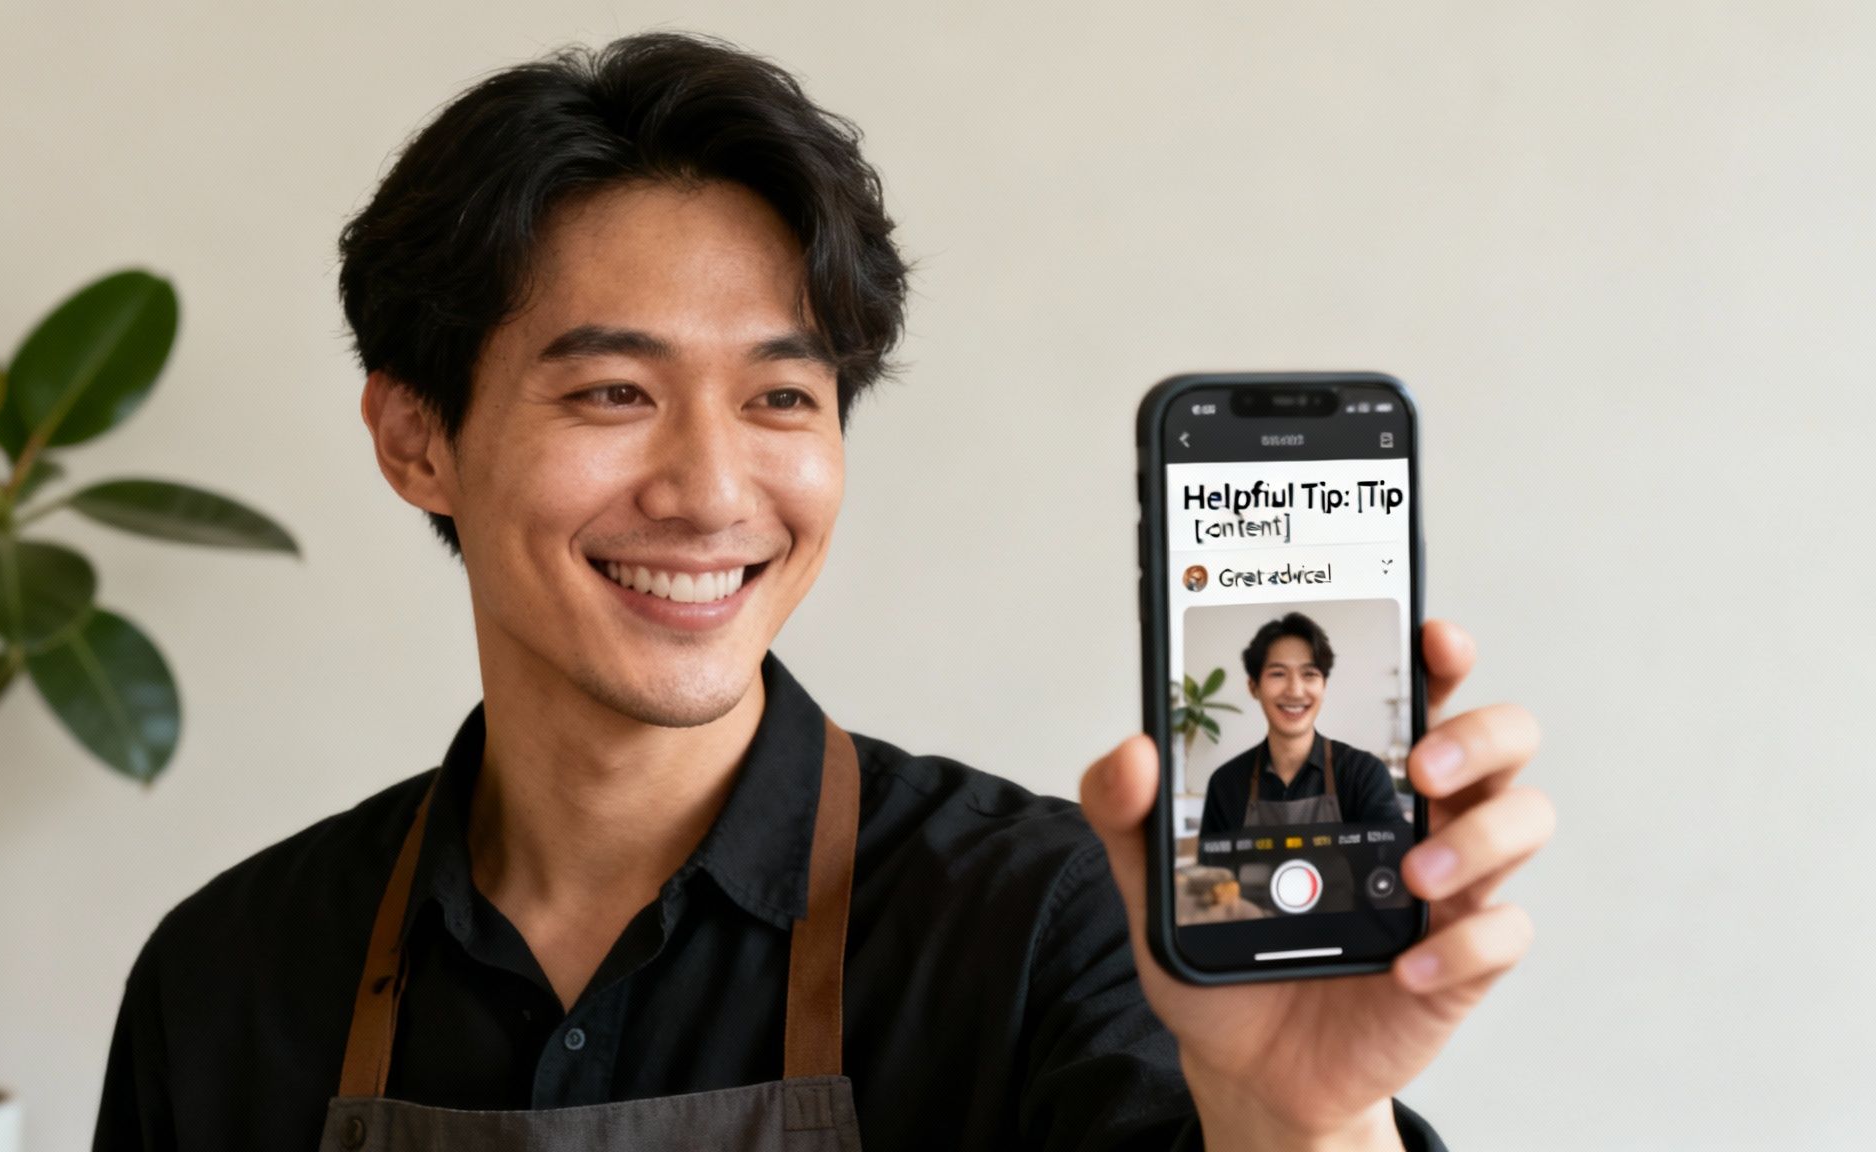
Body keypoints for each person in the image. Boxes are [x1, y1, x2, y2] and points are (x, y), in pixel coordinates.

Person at [92, 31, 1553, 1152]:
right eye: (613, 391)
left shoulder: (1046, 926)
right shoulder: (228, 978)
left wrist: (1299, 1121)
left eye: (781, 397)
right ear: (418, 440)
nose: (709, 489)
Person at [1198, 611, 1408, 838]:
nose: (1295, 691)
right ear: (1253, 687)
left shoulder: (1363, 775)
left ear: (1324, 685)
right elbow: (1215, 861)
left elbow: (1391, 854)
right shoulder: (1225, 784)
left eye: (1309, 674)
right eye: (1278, 674)